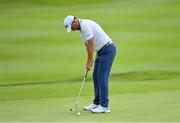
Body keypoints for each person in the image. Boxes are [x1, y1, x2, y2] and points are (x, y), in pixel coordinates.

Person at [64, 15, 116, 113]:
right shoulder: (80, 30)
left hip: (108, 50)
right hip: (100, 51)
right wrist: (90, 60)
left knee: (102, 76)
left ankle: (104, 106)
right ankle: (96, 103)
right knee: (96, 76)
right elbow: (87, 46)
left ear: (75, 20)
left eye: (72, 27)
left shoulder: (86, 26)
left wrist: (88, 61)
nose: (73, 29)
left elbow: (91, 45)